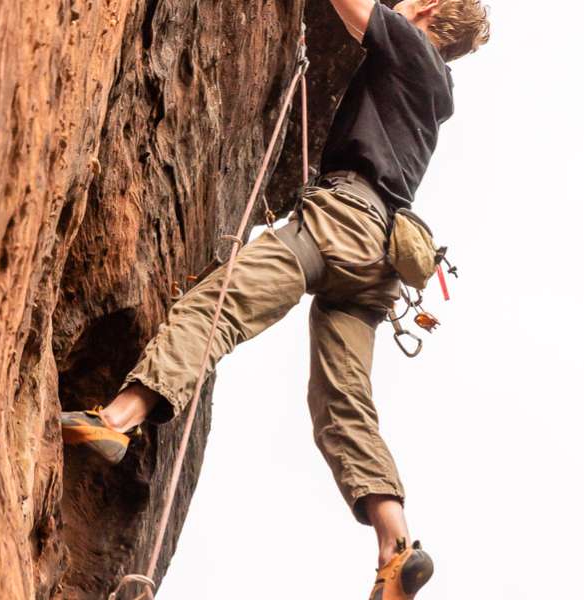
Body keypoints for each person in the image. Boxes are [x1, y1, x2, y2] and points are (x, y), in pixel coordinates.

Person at [61, 1, 489, 597]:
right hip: (379, 264)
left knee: (220, 306)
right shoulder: (435, 91)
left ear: (432, 11)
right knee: (343, 403)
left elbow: (355, 10)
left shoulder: (413, 49)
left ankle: (117, 419)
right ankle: (397, 548)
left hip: (341, 222)